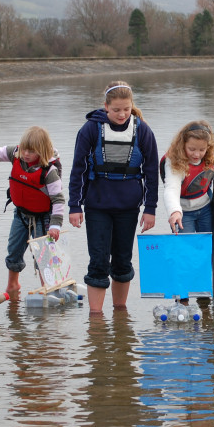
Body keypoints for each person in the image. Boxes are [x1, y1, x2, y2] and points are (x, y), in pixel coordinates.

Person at [68, 81, 158, 314]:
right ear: (106, 106)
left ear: (132, 106)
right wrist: (74, 205)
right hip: (97, 205)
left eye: (126, 109)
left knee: (122, 261)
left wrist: (151, 209)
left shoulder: (143, 131)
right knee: (98, 261)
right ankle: (96, 317)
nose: (122, 114)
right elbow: (77, 169)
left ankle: (120, 315)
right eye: (116, 109)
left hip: (128, 207)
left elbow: (150, 173)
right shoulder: (90, 129)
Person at [0, 126, 64, 296]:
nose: (26, 154)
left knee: (43, 257)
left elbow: (58, 200)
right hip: (21, 215)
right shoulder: (16, 153)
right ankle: (13, 286)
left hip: (44, 218)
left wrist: (56, 226)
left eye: (31, 151)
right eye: (24, 148)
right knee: (13, 250)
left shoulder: (50, 172)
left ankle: (47, 288)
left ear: (41, 151)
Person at [161, 120, 214, 233]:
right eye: (192, 149)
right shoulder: (173, 161)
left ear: (208, 147)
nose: (196, 154)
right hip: (183, 212)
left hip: (206, 209)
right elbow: (171, 188)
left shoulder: (210, 154)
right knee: (186, 247)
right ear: (183, 144)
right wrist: (174, 211)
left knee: (208, 247)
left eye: (202, 150)